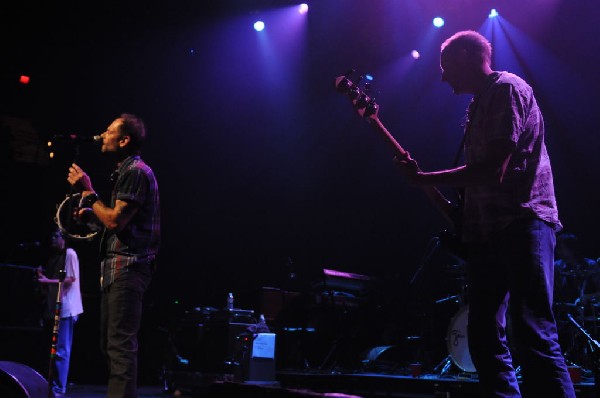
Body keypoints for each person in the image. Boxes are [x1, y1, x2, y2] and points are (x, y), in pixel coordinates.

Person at [392, 30, 575, 397]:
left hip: (523, 223)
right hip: (487, 233)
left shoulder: (506, 89)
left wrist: (426, 177)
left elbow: (494, 170)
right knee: (483, 336)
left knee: (532, 330)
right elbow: (475, 193)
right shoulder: (477, 106)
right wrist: (427, 188)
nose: (443, 77)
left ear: (465, 56)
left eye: (446, 67)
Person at [67, 113, 161, 397]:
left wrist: (89, 191)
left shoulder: (135, 172)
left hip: (129, 267)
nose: (102, 135)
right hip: (116, 268)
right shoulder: (126, 172)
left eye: (109, 131)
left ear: (124, 140)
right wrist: (90, 216)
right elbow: (113, 224)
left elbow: (115, 222)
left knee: (120, 348)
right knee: (111, 347)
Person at [37, 228, 83, 396]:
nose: (52, 239)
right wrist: (43, 278)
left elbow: (70, 280)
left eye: (55, 236)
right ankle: (52, 385)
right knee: (53, 349)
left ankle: (59, 388)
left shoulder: (70, 253)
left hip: (67, 308)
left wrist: (47, 280)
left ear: (63, 238)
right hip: (54, 308)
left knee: (62, 350)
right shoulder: (55, 257)